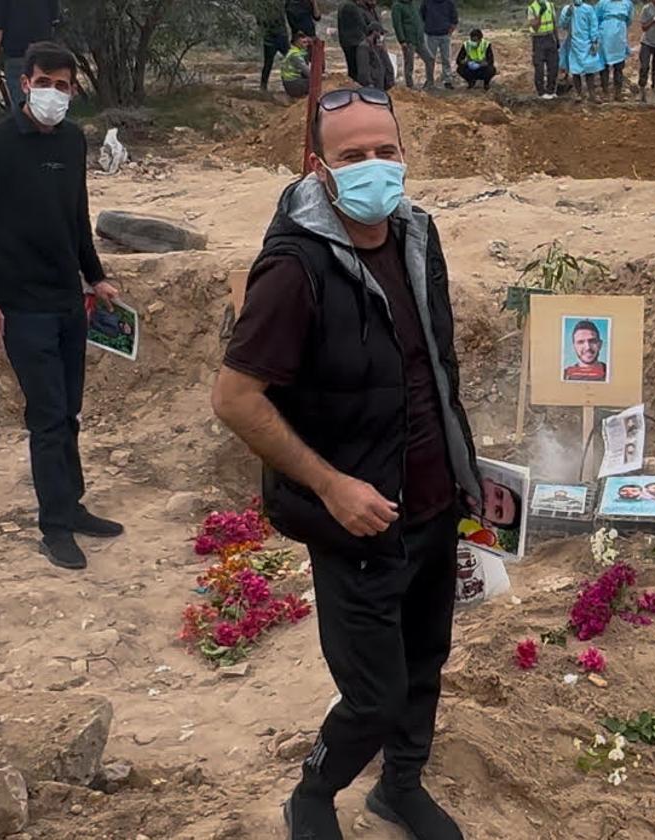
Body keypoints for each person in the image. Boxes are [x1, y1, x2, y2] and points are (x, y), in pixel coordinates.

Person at [212, 86, 480, 840]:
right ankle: (313, 793)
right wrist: (330, 486)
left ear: (405, 156)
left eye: (385, 152)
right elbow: (235, 398)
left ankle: (400, 788)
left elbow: (433, 368)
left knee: (424, 662)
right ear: (318, 168)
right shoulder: (294, 270)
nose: (374, 169)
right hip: (358, 521)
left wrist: (466, 470)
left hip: (430, 502)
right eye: (352, 156)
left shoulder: (416, 236)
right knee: (374, 696)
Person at [0, 42, 123, 571]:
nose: (54, 93)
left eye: (64, 84)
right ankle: (54, 526)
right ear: (24, 83)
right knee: (48, 415)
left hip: (68, 302)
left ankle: (71, 506)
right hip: (21, 306)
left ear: (75, 90)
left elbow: (77, 216)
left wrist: (95, 277)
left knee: (68, 411)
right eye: (44, 82)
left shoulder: (73, 141)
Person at [0, 0, 59, 112]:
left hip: (18, 55)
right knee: (48, 106)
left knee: (24, 109)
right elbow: (54, 20)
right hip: (44, 53)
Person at [559, 0, 604, 103]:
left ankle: (592, 94)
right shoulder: (567, 9)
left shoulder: (588, 9)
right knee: (575, 70)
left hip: (587, 43)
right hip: (573, 43)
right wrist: (568, 14)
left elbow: (593, 25)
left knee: (590, 69)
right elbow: (563, 25)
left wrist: (594, 41)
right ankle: (578, 93)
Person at [596, 0, 634, 100]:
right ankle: (605, 93)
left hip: (620, 38)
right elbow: (597, 18)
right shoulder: (602, 3)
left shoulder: (627, 3)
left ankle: (618, 93)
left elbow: (629, 20)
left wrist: (619, 24)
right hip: (604, 37)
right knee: (604, 66)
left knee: (619, 66)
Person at [394, 0, 436, 89]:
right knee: (409, 64)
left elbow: (419, 19)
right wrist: (402, 40)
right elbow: (397, 24)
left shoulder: (413, 4)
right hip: (408, 40)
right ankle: (410, 86)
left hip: (419, 40)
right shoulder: (397, 6)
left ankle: (430, 83)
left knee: (430, 59)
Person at [422, 0, 460, 89]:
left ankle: (447, 80)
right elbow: (422, 15)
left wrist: (451, 30)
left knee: (446, 59)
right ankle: (429, 81)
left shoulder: (449, 3)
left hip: (445, 35)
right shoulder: (427, 2)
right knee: (430, 59)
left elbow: (454, 18)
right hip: (431, 35)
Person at [528, 0, 561, 99]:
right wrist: (540, 14)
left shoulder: (550, 5)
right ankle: (541, 92)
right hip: (538, 39)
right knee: (539, 67)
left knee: (553, 65)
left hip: (550, 37)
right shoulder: (532, 8)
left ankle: (551, 90)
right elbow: (535, 27)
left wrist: (557, 39)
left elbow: (554, 23)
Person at [338, 0, 375, 79]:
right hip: (355, 42)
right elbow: (362, 25)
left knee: (352, 69)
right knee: (358, 69)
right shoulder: (352, 7)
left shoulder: (344, 5)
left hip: (346, 41)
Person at [259, 2, 291, 91]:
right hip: (272, 37)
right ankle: (263, 86)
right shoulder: (263, 7)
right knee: (268, 64)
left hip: (277, 36)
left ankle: (295, 83)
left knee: (290, 59)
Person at [355, 23, 396, 90]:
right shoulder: (364, 47)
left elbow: (388, 66)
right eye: (381, 33)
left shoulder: (378, 48)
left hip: (380, 87)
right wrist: (369, 84)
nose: (382, 37)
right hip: (372, 89)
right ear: (374, 32)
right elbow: (363, 70)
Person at [281, 31, 312, 99]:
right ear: (296, 43)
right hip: (293, 84)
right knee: (316, 83)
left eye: (307, 42)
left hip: (289, 83)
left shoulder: (293, 51)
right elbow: (307, 72)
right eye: (303, 42)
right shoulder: (296, 55)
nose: (306, 45)